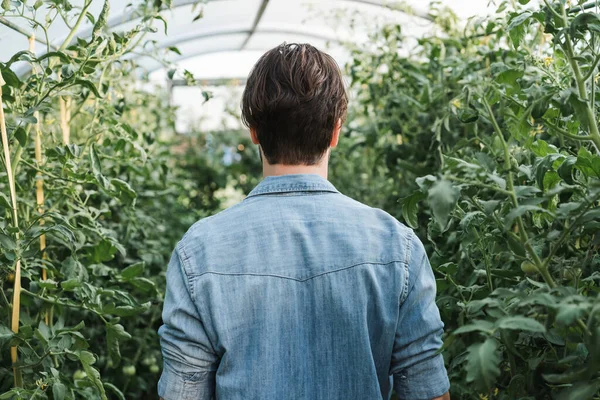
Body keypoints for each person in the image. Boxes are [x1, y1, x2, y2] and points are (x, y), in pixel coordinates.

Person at [157, 43, 450, 400]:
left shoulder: (199, 251)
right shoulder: (396, 246)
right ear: (335, 132)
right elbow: (427, 390)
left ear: (254, 134)